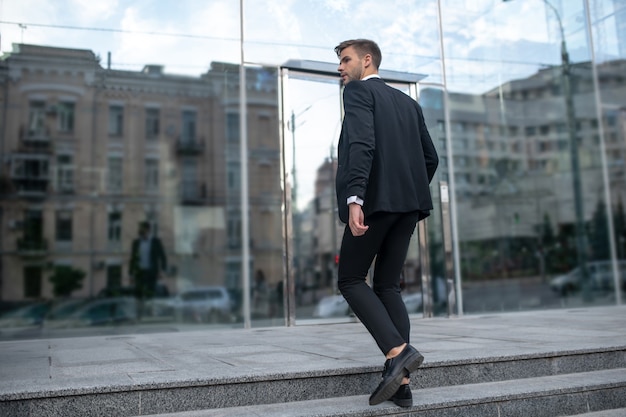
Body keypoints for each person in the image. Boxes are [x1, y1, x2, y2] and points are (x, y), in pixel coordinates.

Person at [334, 39, 438, 407]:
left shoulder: (358, 93)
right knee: (388, 287)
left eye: (346, 60)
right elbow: (431, 157)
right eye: (339, 62)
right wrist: (408, 192)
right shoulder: (409, 104)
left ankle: (397, 351)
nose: (340, 68)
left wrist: (355, 198)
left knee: (349, 278)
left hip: (375, 203)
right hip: (408, 206)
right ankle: (403, 385)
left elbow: (362, 144)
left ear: (367, 60)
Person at [129, 221, 167, 318]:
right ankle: (139, 314)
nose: (140, 230)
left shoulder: (155, 241)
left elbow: (162, 256)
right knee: (138, 294)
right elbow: (133, 259)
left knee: (150, 293)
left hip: (151, 271)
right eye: (139, 228)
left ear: (148, 229)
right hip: (140, 272)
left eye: (142, 228)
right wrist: (131, 274)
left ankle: (150, 313)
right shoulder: (136, 243)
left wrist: (162, 271)